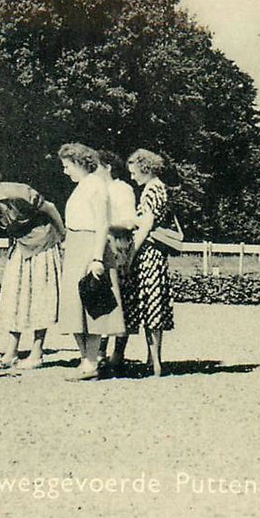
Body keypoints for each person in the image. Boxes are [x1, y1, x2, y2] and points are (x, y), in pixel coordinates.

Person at [0, 161, 66, 370]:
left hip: (43, 244)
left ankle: (37, 353)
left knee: (39, 298)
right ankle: (11, 351)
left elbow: (49, 207)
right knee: (15, 297)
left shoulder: (13, 191)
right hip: (21, 246)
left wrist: (62, 235)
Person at [53, 143, 125, 380]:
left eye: (67, 166)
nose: (65, 171)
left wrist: (96, 258)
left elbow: (102, 224)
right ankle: (85, 360)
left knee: (91, 304)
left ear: (79, 162)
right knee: (74, 306)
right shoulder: (83, 186)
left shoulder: (96, 185)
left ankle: (91, 362)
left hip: (90, 246)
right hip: (75, 246)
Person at [124, 148, 175, 377]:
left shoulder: (151, 190)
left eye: (134, 172)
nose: (132, 177)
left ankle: (155, 362)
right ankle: (153, 359)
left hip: (148, 254)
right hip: (156, 255)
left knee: (151, 304)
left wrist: (131, 253)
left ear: (145, 168)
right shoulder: (159, 188)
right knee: (153, 305)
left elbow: (146, 225)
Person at [94, 150, 137, 369]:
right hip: (100, 246)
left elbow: (129, 222)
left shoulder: (122, 189)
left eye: (97, 166)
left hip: (117, 246)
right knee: (100, 296)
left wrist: (102, 226)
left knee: (120, 298)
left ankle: (118, 353)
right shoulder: (97, 188)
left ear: (108, 167)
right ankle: (99, 351)